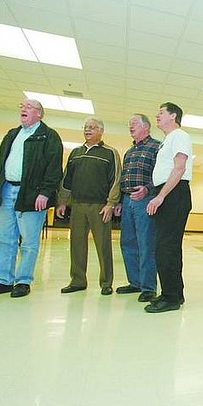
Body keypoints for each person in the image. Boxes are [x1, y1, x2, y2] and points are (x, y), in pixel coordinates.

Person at [0, 98, 63, 298]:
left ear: (39, 114)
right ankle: (3, 280)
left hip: (32, 194)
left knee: (29, 241)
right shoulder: (11, 135)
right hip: (6, 190)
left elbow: (54, 169)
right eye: (21, 106)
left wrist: (45, 192)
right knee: (4, 238)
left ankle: (23, 281)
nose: (23, 109)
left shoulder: (49, 136)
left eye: (29, 107)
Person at [56, 117, 121, 296]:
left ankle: (106, 282)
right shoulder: (76, 152)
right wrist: (62, 202)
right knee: (77, 245)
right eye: (86, 127)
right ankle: (77, 280)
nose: (88, 130)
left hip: (99, 207)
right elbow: (66, 179)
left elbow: (115, 180)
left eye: (92, 127)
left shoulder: (110, 153)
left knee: (103, 246)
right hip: (77, 205)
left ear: (101, 131)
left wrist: (111, 203)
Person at [144, 102, 192, 313]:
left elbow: (179, 168)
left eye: (161, 112)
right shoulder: (168, 140)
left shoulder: (180, 135)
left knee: (166, 248)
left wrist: (161, 196)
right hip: (168, 192)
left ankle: (171, 298)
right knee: (167, 248)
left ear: (173, 116)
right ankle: (173, 293)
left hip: (173, 194)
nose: (157, 115)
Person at [113, 113, 161, 302]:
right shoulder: (129, 152)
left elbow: (160, 176)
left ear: (146, 127)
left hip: (145, 200)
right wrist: (118, 201)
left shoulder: (156, 147)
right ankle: (135, 283)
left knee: (146, 244)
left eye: (134, 123)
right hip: (127, 200)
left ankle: (148, 287)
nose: (130, 126)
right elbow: (123, 177)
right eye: (129, 123)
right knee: (128, 242)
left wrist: (147, 189)